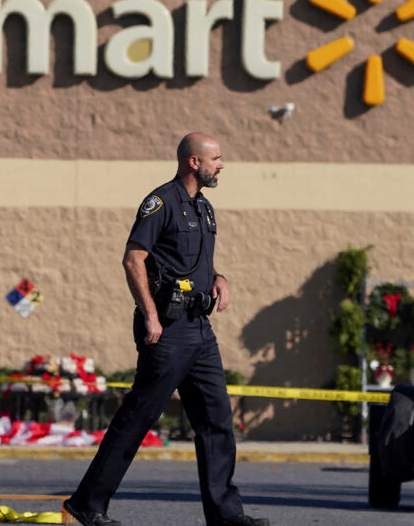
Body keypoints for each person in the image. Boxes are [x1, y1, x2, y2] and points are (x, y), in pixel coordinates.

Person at [64, 133, 268, 526]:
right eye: (216, 159)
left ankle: (226, 514)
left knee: (216, 420)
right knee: (140, 416)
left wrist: (219, 277)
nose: (221, 165)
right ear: (194, 162)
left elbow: (192, 264)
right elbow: (133, 258)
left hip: (199, 329)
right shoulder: (160, 202)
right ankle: (88, 502)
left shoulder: (204, 208)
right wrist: (151, 314)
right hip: (168, 330)